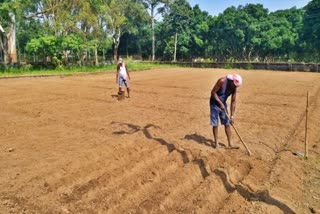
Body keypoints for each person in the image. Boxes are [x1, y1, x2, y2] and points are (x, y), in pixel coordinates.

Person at [210, 74, 242, 149]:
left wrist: (232, 116)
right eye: (234, 85)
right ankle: (216, 143)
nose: (235, 87)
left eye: (236, 86)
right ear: (231, 81)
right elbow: (213, 92)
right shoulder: (222, 81)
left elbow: (233, 101)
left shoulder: (234, 87)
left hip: (223, 104)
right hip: (214, 103)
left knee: (227, 123)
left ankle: (230, 144)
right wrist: (220, 104)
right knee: (215, 124)